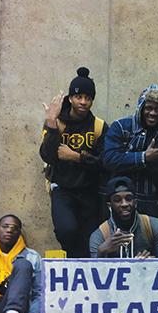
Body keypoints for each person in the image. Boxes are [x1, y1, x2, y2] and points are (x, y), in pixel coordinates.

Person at [40, 67, 108, 257]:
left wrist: (77, 157)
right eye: (79, 97)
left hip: (90, 191)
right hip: (62, 189)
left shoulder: (99, 126)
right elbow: (47, 155)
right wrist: (51, 123)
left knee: (90, 239)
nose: (83, 102)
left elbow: (105, 163)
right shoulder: (58, 122)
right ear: (70, 98)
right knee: (66, 231)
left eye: (88, 98)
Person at [103, 84, 158, 218]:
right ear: (141, 107)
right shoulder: (120, 126)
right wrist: (143, 157)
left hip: (150, 201)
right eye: (149, 108)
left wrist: (126, 159)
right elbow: (109, 160)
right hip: (120, 199)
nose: (153, 113)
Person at [89, 176, 158, 258]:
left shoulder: (154, 225)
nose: (124, 204)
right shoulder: (100, 236)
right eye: (117, 200)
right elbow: (94, 272)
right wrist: (101, 252)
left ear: (135, 202)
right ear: (109, 205)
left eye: (129, 198)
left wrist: (150, 265)